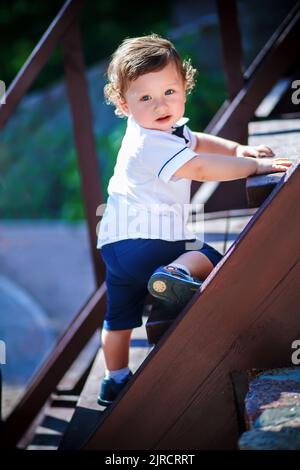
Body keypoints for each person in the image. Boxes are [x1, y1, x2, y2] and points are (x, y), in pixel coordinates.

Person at [96, 34, 292, 406]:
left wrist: (236, 148)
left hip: (115, 249)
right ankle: (178, 273)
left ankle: (114, 379)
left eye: (169, 91)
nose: (160, 105)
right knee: (209, 257)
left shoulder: (159, 130)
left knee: (119, 318)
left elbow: (197, 142)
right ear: (124, 104)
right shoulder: (150, 144)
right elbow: (199, 165)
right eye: (146, 98)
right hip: (153, 240)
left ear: (184, 85)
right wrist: (255, 165)